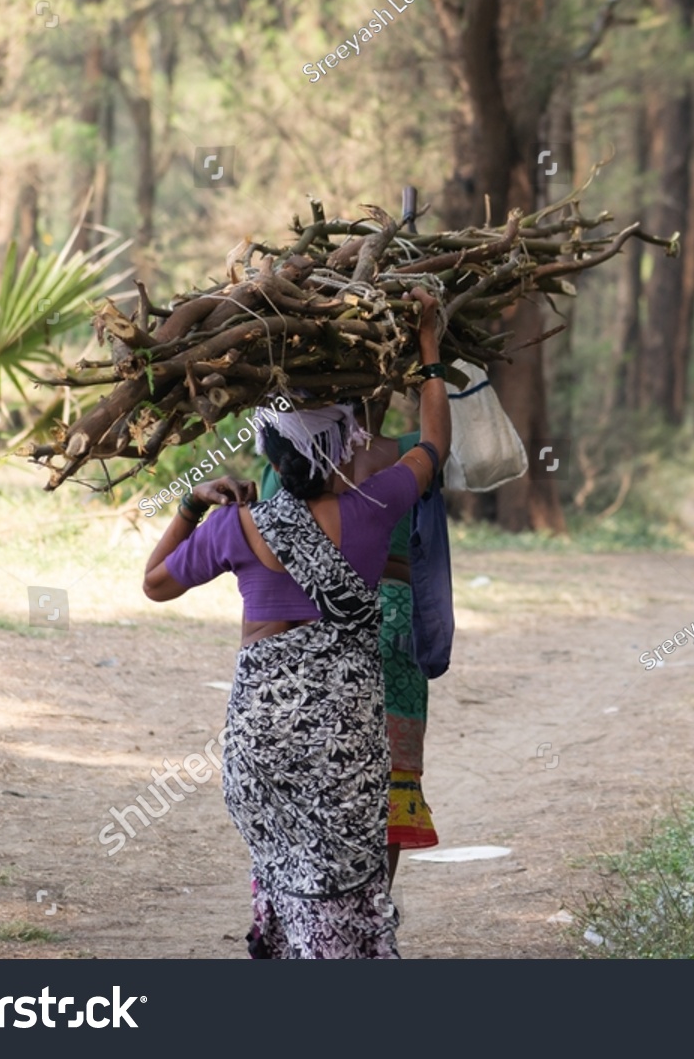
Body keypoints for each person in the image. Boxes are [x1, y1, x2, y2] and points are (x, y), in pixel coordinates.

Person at [142, 287, 450, 959]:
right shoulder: (373, 508)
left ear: (273, 458)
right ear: (342, 448)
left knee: (287, 877)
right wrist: (430, 350)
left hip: (260, 743)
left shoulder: (235, 524)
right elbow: (434, 445)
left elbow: (154, 583)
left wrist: (193, 504)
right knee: (341, 893)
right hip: (342, 742)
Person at [260, 399, 443, 890]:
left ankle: (308, 896)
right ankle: (374, 904)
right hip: (393, 622)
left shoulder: (285, 460)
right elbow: (438, 441)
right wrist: (431, 360)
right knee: (391, 776)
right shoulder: (406, 455)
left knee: (318, 765)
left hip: (317, 619)